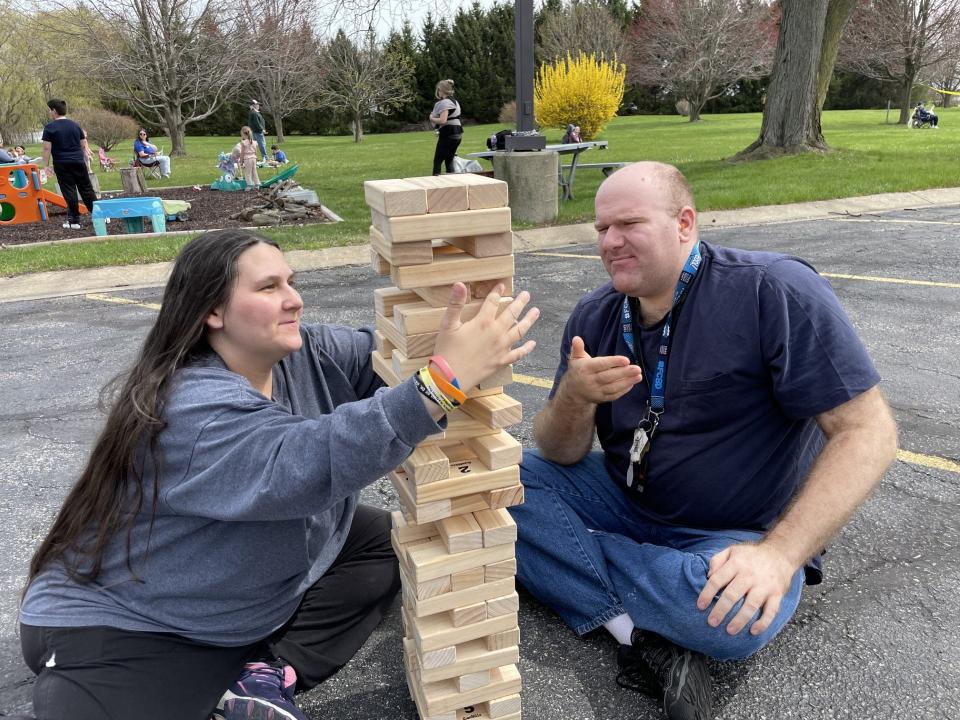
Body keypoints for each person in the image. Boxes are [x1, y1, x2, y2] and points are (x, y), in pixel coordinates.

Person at [18, 228, 539, 720]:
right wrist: (441, 383)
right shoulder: (191, 409)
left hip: (236, 585)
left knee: (382, 543)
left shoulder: (302, 352)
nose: (294, 298)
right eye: (269, 287)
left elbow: (388, 359)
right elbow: (307, 463)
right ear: (212, 311)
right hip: (141, 621)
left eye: (291, 282)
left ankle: (264, 674)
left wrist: (449, 338)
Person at [509, 161, 898, 720]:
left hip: (738, 534)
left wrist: (780, 555)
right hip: (628, 498)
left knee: (733, 615)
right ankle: (636, 629)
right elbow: (561, 452)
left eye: (628, 224)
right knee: (492, 484)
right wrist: (574, 395)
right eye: (600, 229)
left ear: (685, 223)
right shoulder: (595, 314)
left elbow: (870, 432)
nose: (610, 242)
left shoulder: (772, 291)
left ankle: (576, 565)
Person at [41, 99, 98, 231]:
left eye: (50, 110)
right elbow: (83, 143)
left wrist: (46, 166)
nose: (50, 112)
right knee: (86, 189)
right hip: (78, 161)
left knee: (69, 191)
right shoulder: (75, 125)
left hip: (62, 163)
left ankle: (74, 221)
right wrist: (87, 152)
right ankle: (99, 215)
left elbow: (46, 149)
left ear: (54, 111)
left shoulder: (49, 128)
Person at [429, 79, 463, 175]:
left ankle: (436, 185)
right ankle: (452, 183)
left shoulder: (445, 102)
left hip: (448, 133)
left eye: (438, 90)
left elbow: (443, 120)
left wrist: (432, 118)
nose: (438, 92)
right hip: (458, 134)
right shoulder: (455, 101)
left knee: (437, 161)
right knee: (449, 160)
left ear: (441, 90)